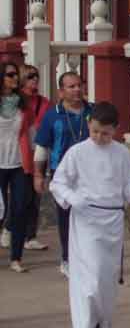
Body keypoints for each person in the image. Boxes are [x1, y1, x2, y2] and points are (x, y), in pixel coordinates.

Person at [49, 102, 130, 328]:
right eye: (95, 131)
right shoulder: (77, 152)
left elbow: (126, 188)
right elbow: (58, 183)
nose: (99, 137)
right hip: (86, 219)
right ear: (89, 125)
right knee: (90, 278)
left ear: (115, 130)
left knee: (107, 280)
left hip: (112, 221)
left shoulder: (121, 153)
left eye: (105, 133)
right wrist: (72, 198)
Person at [33, 72, 93, 278]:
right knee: (66, 217)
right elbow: (42, 147)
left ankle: (87, 258)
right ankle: (67, 259)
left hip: (90, 174)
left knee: (90, 217)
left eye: (79, 85)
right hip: (62, 175)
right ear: (61, 91)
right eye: (71, 86)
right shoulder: (53, 115)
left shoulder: (93, 111)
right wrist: (38, 175)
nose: (77, 89)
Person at [8, 64, 49, 253]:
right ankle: (9, 228)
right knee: (20, 197)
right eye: (31, 76)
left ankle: (30, 236)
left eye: (36, 76)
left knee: (35, 196)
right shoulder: (15, 101)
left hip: (38, 152)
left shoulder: (43, 102)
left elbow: (46, 123)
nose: (35, 80)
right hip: (18, 153)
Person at [0, 62, 29, 273]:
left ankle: (16, 258)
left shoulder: (22, 102)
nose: (15, 78)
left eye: (16, 74)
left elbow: (30, 132)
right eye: (10, 74)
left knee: (20, 210)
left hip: (18, 163)